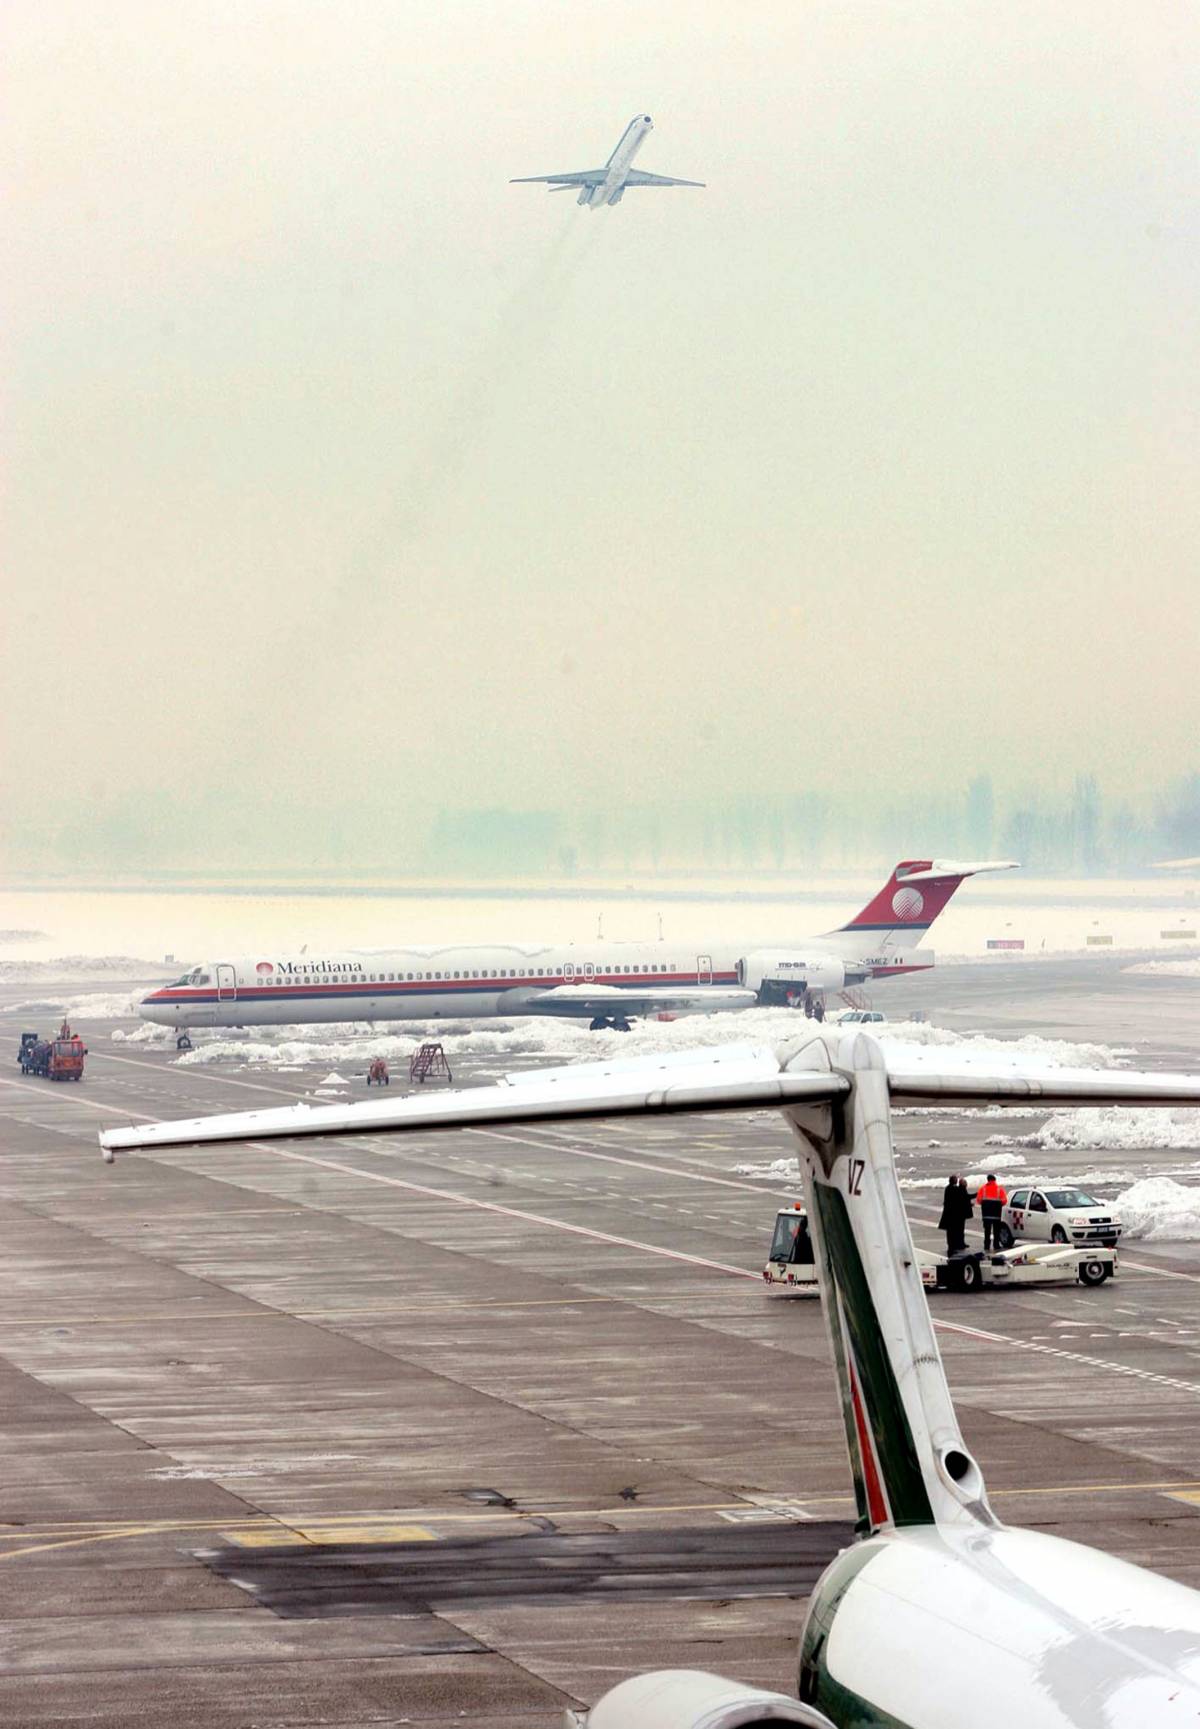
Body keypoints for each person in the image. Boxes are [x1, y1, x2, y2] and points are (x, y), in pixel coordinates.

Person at [975, 1172, 1008, 1253]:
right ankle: (996, 1244)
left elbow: (978, 1200)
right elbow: (1004, 1201)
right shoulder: (999, 1189)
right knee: (996, 1231)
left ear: (988, 1180)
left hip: (986, 1215)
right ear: (994, 1180)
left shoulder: (983, 1189)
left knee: (987, 1231)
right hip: (996, 1215)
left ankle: (986, 1245)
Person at [937, 1176, 961, 1256]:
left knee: (949, 1232)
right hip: (953, 1214)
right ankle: (952, 1247)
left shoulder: (947, 1188)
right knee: (953, 1232)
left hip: (948, 1213)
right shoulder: (955, 1189)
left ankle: (951, 1247)